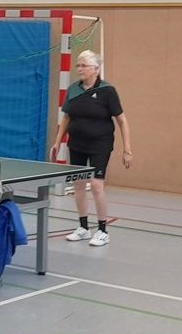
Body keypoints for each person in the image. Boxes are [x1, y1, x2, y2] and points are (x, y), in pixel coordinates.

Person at [50, 50, 132, 247]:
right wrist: (57, 142)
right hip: (77, 143)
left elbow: (121, 120)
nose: (79, 69)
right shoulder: (73, 89)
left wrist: (127, 149)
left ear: (96, 69)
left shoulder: (107, 91)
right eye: (78, 65)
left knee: (96, 185)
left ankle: (103, 230)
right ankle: (83, 227)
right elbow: (66, 117)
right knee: (78, 185)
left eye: (84, 65)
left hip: (100, 143)